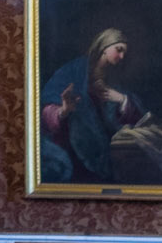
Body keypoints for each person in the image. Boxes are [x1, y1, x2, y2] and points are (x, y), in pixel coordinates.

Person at [40, 28, 142, 184]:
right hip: (73, 145)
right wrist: (64, 110)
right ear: (104, 47)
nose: (122, 57)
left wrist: (122, 99)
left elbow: (135, 115)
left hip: (106, 144)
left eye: (124, 53)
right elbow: (46, 108)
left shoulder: (113, 76)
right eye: (119, 50)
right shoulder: (73, 70)